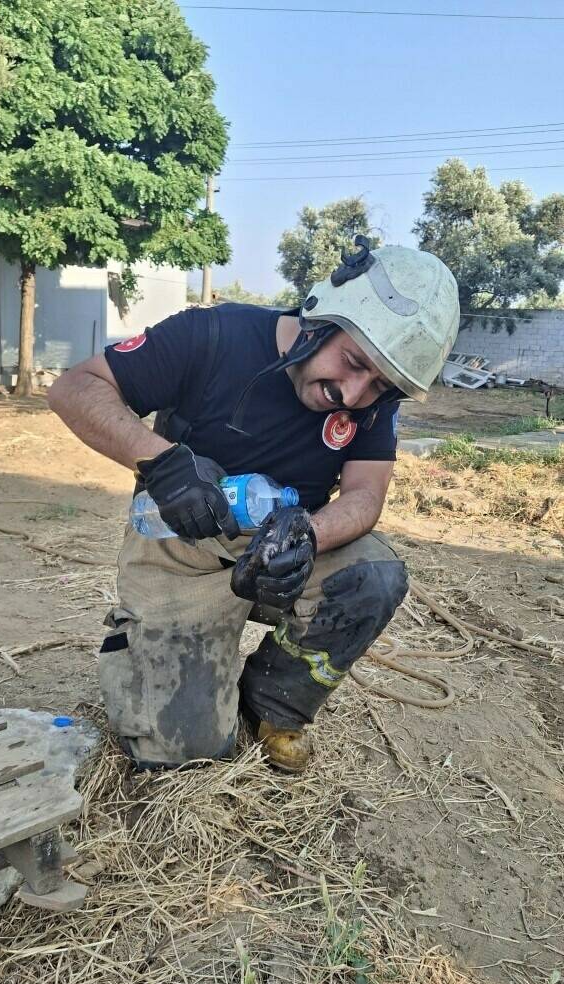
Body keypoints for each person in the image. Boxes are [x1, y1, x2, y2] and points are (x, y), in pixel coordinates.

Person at [48, 239, 460, 773]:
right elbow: (74, 388)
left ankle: (272, 704)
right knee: (185, 751)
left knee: (373, 576)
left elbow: (365, 496)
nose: (355, 395)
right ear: (318, 318)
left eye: (380, 385)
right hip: (181, 544)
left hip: (284, 549)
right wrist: (161, 462)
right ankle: (150, 647)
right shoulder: (211, 334)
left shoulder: (374, 404)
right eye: (354, 362)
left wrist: (308, 534)